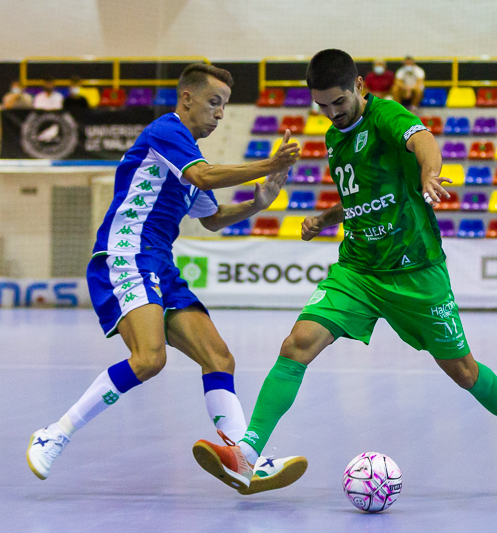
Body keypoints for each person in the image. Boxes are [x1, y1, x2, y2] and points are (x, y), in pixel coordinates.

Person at [193, 49, 497, 493]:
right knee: (296, 345)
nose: (332, 113)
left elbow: (423, 142)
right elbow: (364, 196)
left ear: (359, 87)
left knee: (462, 371)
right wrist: (326, 218)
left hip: (415, 271)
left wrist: (429, 173)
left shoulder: (386, 115)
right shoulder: (333, 138)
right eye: (322, 105)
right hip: (358, 270)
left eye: (338, 102)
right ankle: (246, 454)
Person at [26, 63, 308, 494]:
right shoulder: (167, 131)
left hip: (160, 263)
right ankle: (55, 432)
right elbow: (202, 176)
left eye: (225, 107)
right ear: (187, 98)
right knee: (149, 359)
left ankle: (243, 461)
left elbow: (212, 218)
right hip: (127, 252)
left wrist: (260, 201)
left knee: (219, 359)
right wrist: (267, 164)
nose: (219, 114)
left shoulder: (191, 155)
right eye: (214, 103)